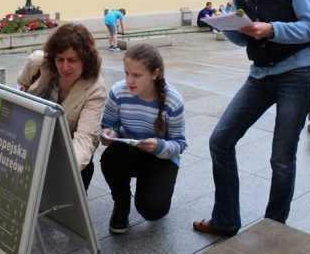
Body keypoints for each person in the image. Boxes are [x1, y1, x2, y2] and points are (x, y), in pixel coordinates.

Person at [193, 0, 310, 237]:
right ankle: (225, 219)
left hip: (296, 73)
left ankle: (273, 226)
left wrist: (272, 29)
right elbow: (242, 40)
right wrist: (227, 25)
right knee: (220, 141)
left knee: (281, 157)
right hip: (261, 73)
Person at [100, 43, 187, 234]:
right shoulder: (117, 92)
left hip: (160, 157)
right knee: (109, 159)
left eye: (137, 75)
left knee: (153, 211)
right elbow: (107, 126)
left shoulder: (173, 101)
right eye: (126, 73)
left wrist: (158, 146)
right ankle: (121, 204)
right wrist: (109, 134)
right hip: (128, 150)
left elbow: (180, 144)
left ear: (154, 74)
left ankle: (150, 187)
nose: (129, 80)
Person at [17, 23, 106, 190]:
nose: (64, 67)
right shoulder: (39, 62)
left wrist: (65, 170)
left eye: (72, 60)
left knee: (69, 186)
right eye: (60, 59)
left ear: (85, 59)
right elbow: (21, 85)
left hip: (69, 145)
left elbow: (84, 138)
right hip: (33, 134)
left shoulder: (95, 88)